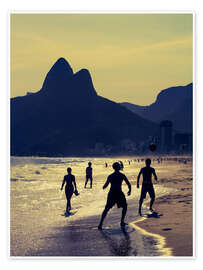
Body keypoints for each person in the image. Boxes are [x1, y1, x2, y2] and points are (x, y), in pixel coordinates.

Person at [98, 162, 131, 230]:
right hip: (119, 193)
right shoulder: (122, 175)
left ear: (113, 168)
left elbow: (105, 185)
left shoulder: (110, 176)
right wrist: (129, 190)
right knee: (125, 206)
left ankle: (100, 224)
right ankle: (122, 221)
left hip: (112, 193)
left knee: (106, 209)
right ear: (118, 167)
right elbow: (128, 184)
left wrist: (103, 187)